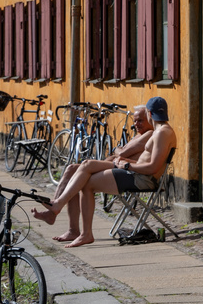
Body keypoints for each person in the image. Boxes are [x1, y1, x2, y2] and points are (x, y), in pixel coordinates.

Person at [33, 96, 175, 247]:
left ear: (149, 114)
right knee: (83, 169)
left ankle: (76, 225)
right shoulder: (161, 131)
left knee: (85, 181)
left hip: (141, 178)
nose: (137, 123)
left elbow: (152, 167)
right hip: (136, 172)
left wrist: (127, 166)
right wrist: (126, 163)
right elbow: (144, 162)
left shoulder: (160, 133)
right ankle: (65, 214)